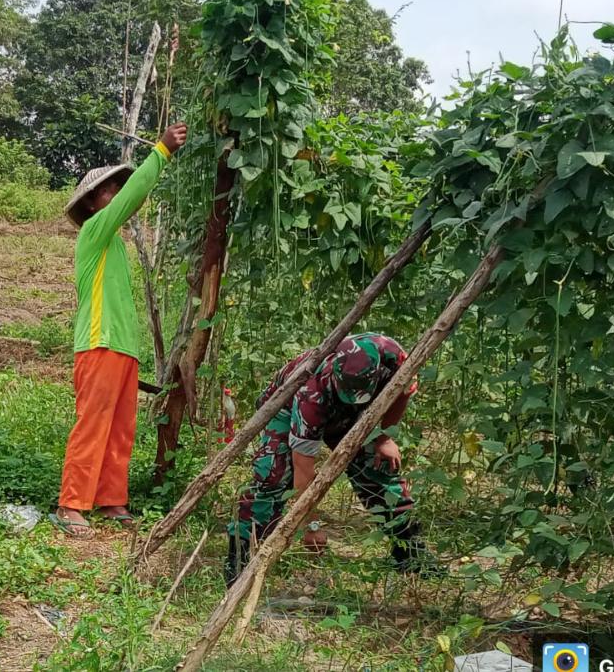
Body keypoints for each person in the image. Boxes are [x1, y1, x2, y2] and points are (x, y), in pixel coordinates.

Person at [51, 122, 189, 538]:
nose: (116, 195)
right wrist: (162, 151)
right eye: (109, 190)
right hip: (98, 345)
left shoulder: (115, 246)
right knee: (92, 425)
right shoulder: (94, 232)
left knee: (120, 429)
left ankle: (111, 500)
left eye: (116, 188)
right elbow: (133, 197)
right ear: (93, 203)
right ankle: (71, 503)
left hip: (122, 349)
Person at [225, 332, 442, 583]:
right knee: (272, 477)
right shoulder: (311, 394)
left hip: (358, 414)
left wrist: (383, 437)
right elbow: (303, 468)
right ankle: (240, 557)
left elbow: (402, 393)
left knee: (378, 467)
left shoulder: (394, 360)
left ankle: (411, 553)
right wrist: (310, 525)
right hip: (286, 408)